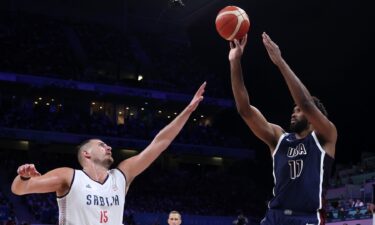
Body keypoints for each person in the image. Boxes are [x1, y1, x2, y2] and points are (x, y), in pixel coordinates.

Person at [11, 82, 206, 225]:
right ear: (86, 154)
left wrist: (188, 111)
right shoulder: (69, 176)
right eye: (102, 145)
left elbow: (160, 143)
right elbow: (20, 189)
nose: (109, 147)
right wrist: (23, 176)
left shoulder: (121, 175)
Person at [228, 32, 337, 225]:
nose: (293, 113)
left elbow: (305, 103)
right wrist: (235, 62)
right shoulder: (279, 137)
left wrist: (279, 61)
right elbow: (244, 110)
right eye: (293, 110)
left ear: (314, 119)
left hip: (305, 218)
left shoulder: (325, 136)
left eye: (298, 111)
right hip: (274, 216)